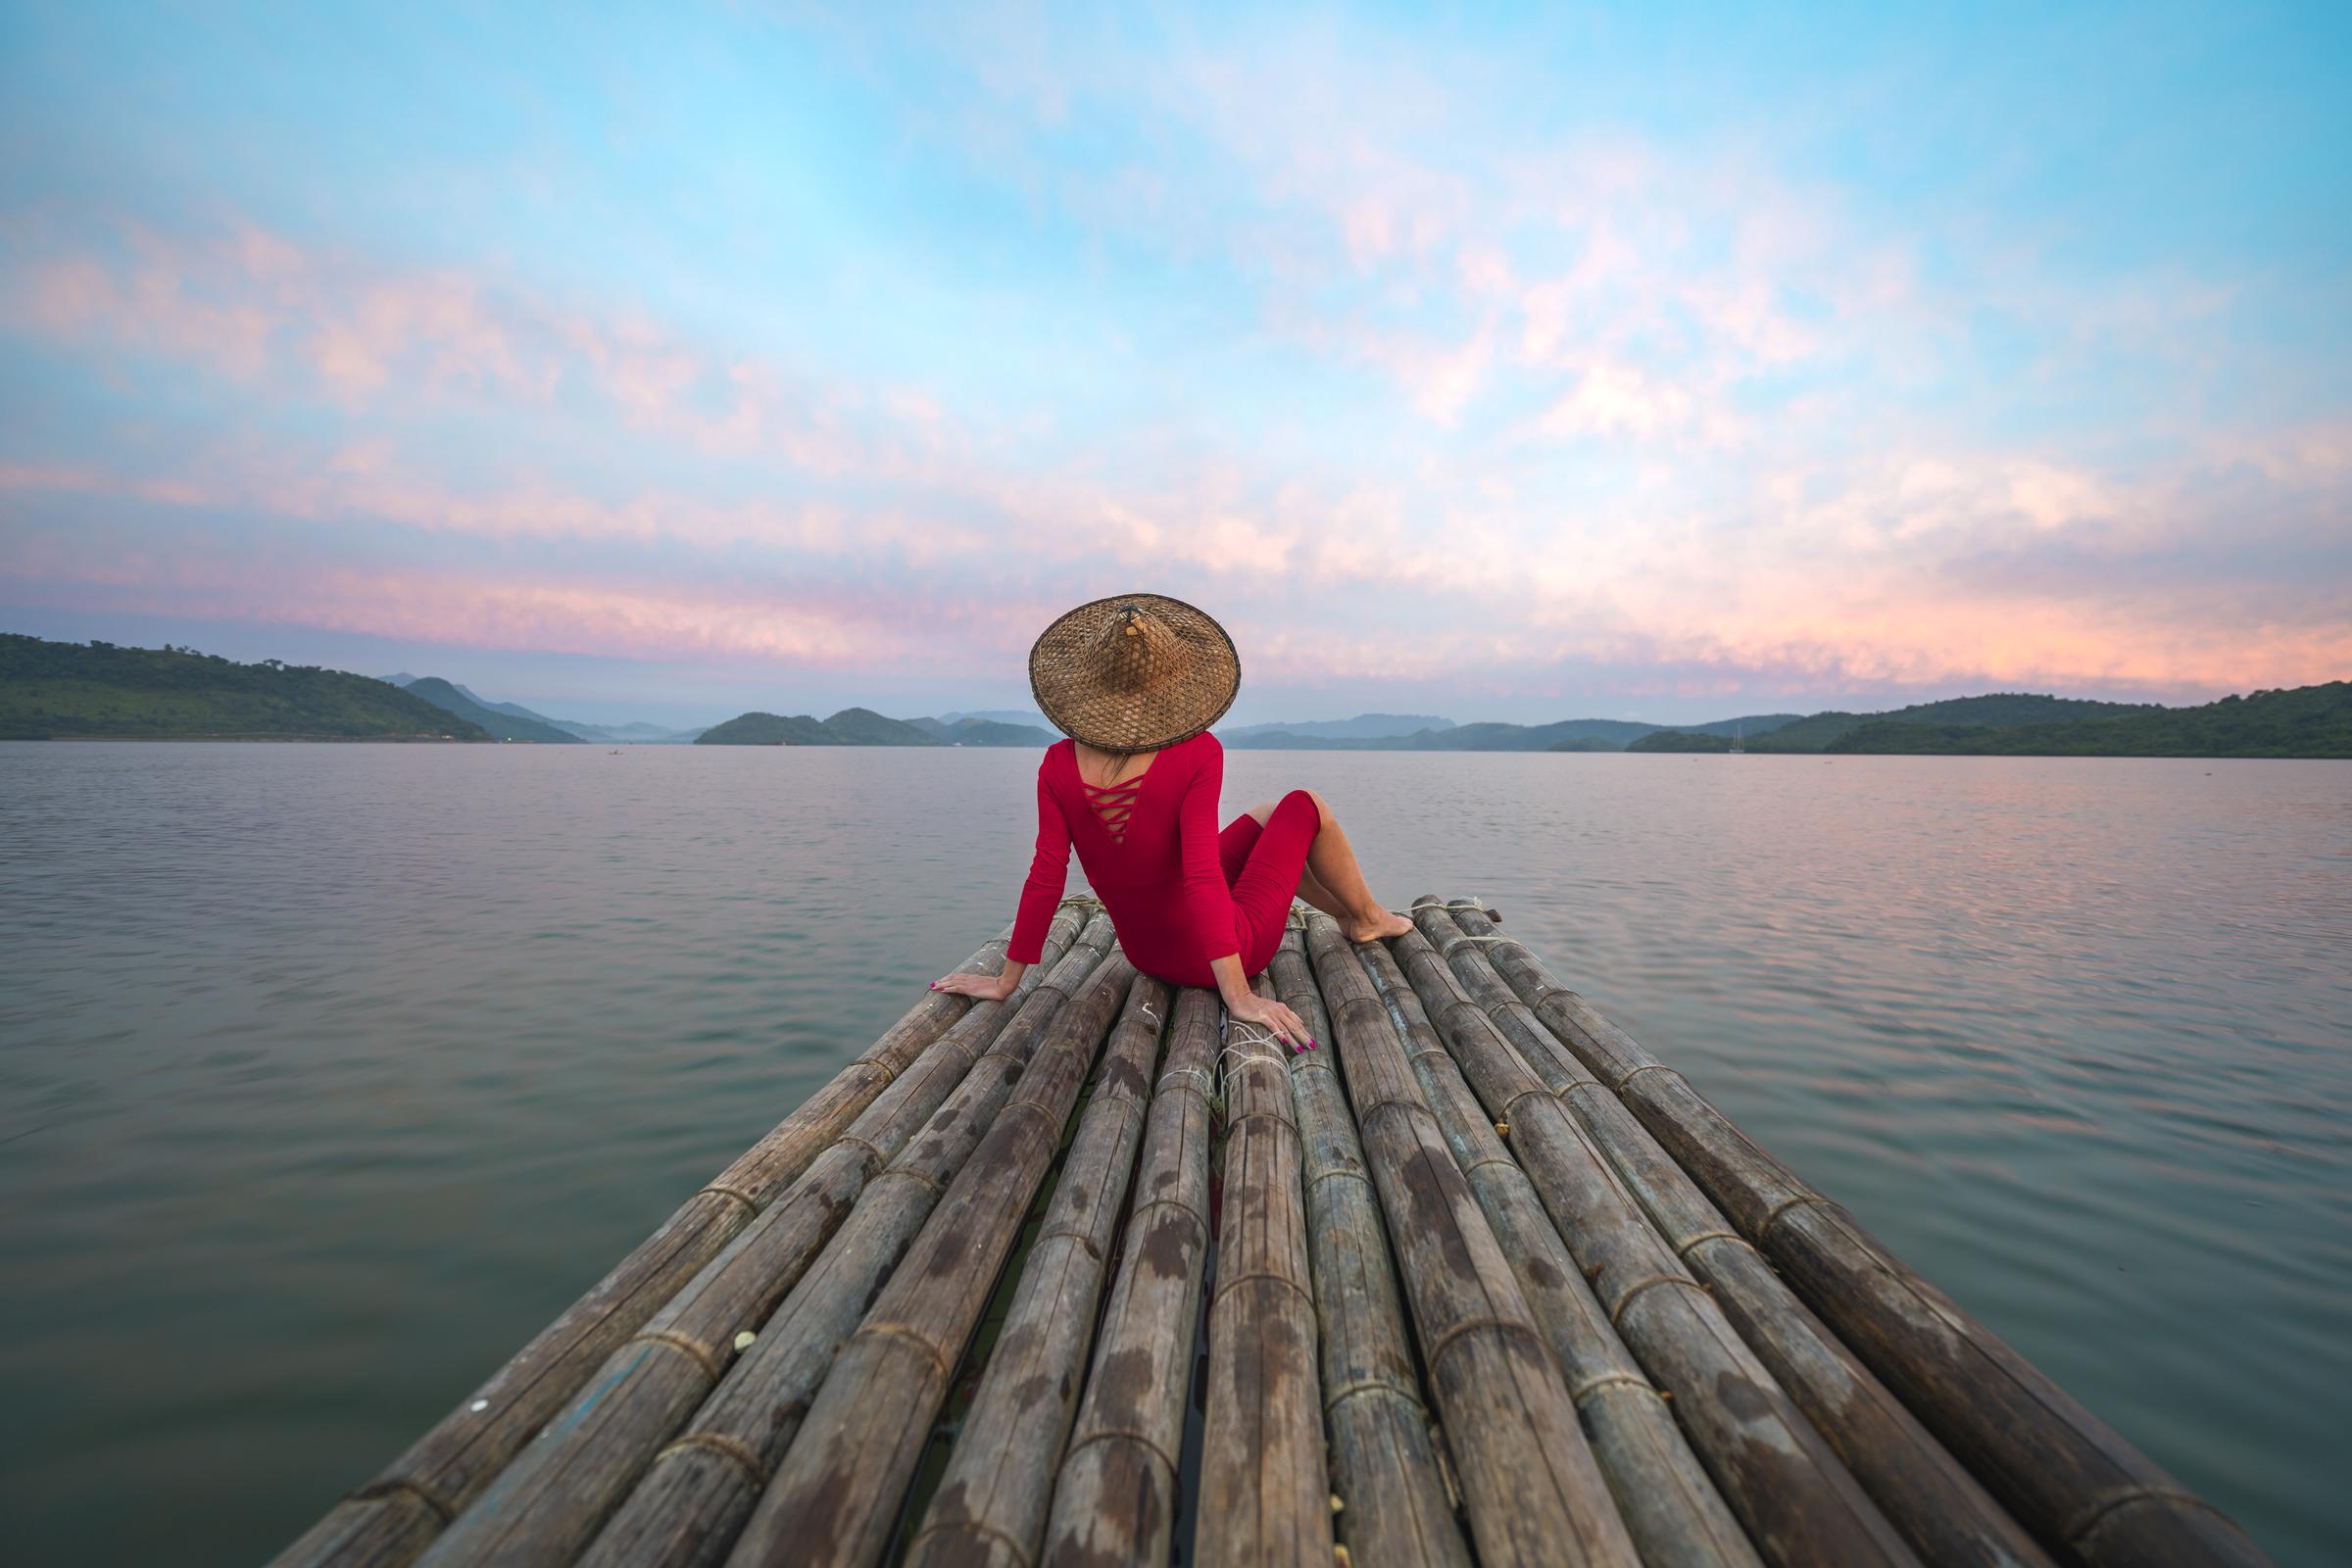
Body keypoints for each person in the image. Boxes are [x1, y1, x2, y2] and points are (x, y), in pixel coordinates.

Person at [932, 593, 1413, 1053]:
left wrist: (1005, 981)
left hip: (1147, 953)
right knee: (1305, 804)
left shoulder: (1056, 764)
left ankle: (1350, 915)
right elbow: (1202, 874)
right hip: (1223, 956)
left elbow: (1046, 876)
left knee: (1267, 814)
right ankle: (1368, 918)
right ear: (1171, 684)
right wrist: (1239, 995)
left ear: (1091, 687)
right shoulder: (1198, 753)